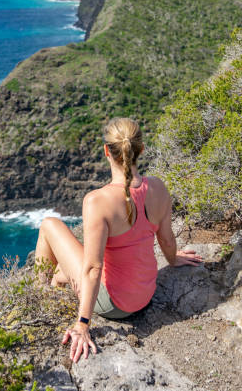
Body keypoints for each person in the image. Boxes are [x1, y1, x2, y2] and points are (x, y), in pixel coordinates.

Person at [35, 117, 203, 364]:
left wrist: (83, 323)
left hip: (113, 304)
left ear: (106, 152)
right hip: (145, 295)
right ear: (141, 150)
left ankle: (39, 292)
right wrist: (174, 259)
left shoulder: (97, 201)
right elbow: (167, 240)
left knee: (50, 225)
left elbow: (93, 269)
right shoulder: (158, 188)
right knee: (63, 269)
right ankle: (58, 278)